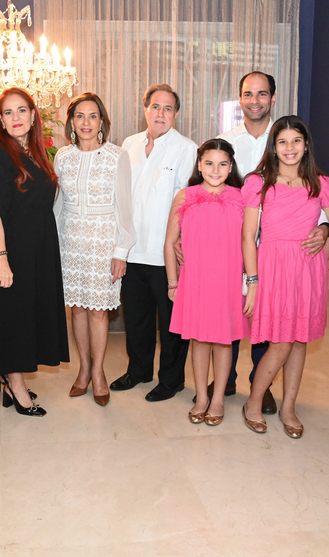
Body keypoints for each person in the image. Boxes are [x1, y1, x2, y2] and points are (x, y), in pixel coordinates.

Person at [216, 71, 329, 415]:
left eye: (262, 94)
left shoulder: (286, 137)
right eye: (248, 94)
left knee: (280, 335)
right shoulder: (225, 141)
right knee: (231, 321)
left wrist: (323, 233)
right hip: (237, 248)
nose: (255, 100)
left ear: (273, 98)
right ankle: (223, 385)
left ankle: (264, 390)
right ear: (240, 99)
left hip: (285, 259)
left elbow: (322, 215)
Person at [241, 116, 329, 438]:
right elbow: (247, 237)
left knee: (299, 340)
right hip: (272, 267)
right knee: (281, 342)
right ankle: (253, 404)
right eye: (282, 141)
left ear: (306, 144)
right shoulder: (260, 183)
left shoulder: (319, 183)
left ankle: (289, 407)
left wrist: (316, 264)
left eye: (296, 140)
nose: (289, 148)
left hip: (306, 271)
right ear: (273, 146)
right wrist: (253, 281)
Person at [0, 87, 70, 416]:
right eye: (8, 113)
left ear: (33, 117)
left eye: (21, 111)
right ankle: (14, 384)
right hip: (10, 251)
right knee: (11, 319)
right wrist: (1, 260)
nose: (15, 118)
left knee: (24, 317)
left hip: (37, 250)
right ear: (0, 120)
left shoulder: (34, 153)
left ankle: (12, 376)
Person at [111, 84, 197, 402]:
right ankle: (139, 370)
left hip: (168, 254)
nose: (161, 114)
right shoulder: (129, 145)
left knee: (172, 322)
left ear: (176, 114)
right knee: (136, 318)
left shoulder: (187, 149)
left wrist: (183, 241)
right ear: (144, 109)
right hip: (132, 250)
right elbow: (121, 197)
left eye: (168, 109)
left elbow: (189, 201)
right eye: (155, 107)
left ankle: (171, 379)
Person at [54, 92, 135, 406]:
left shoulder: (117, 156)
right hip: (71, 242)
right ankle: (83, 369)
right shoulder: (63, 156)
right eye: (79, 116)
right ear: (71, 122)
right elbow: (59, 205)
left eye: (92, 116)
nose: (86, 122)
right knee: (77, 308)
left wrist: (121, 250)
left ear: (102, 121)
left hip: (104, 241)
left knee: (99, 311)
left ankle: (99, 373)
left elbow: (125, 207)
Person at [164, 140, 248, 425]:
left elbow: (250, 240)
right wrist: (172, 282)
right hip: (195, 279)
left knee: (224, 342)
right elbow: (169, 242)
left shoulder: (241, 197)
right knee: (198, 339)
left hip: (228, 280)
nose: (215, 169)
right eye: (209, 163)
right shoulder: (185, 195)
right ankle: (201, 396)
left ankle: (218, 397)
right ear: (199, 165)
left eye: (222, 163)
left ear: (231, 166)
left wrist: (252, 280)